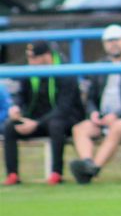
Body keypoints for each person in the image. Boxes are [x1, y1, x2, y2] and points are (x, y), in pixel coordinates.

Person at [69, 25, 121, 184]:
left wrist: (117, 115)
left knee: (118, 127)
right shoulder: (100, 66)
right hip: (103, 118)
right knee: (79, 129)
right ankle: (87, 163)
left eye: (117, 40)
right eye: (109, 41)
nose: (113, 44)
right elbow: (91, 98)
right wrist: (93, 112)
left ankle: (94, 168)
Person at [2, 41, 84, 185]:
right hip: (36, 121)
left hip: (66, 120)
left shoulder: (66, 71)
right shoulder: (29, 71)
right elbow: (21, 96)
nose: (31, 62)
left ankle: (56, 173)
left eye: (34, 58)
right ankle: (12, 175)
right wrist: (17, 109)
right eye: (29, 58)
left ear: (47, 56)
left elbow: (63, 109)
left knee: (56, 125)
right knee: (10, 126)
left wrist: (37, 123)